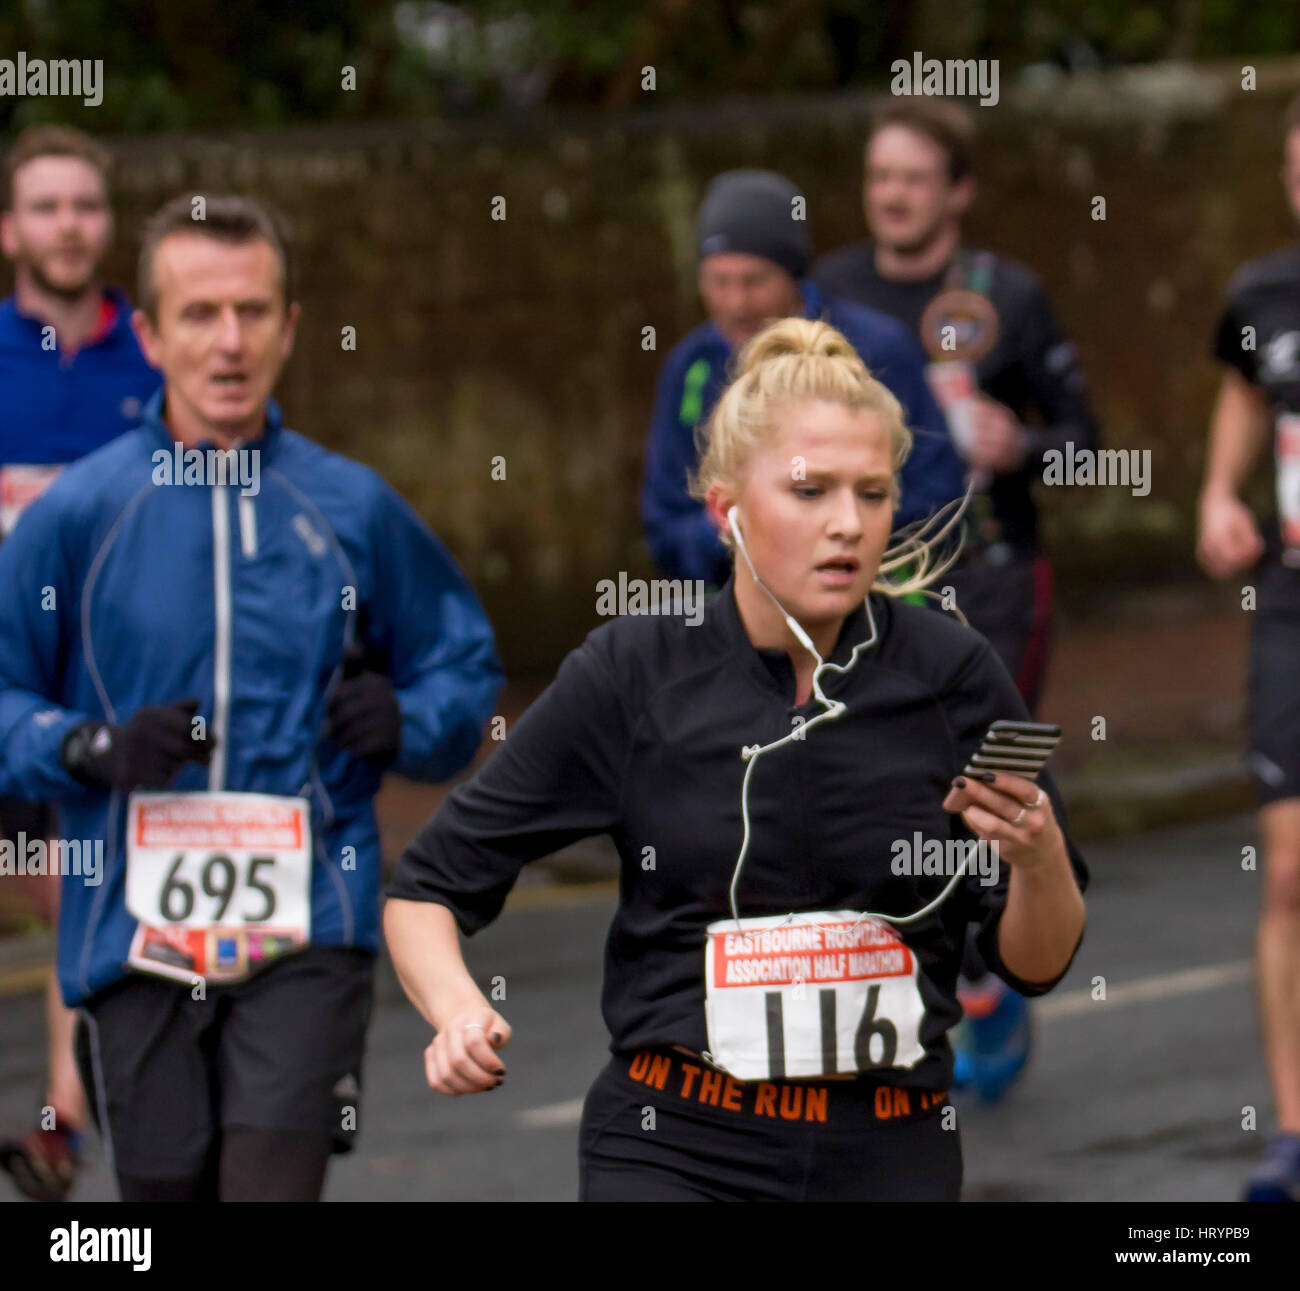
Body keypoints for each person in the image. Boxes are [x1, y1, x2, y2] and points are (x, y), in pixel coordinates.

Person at [386, 317, 1087, 1202]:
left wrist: (1040, 857)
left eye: (872, 494)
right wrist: (457, 1010)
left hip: (887, 1148)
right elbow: (427, 887)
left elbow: (1037, 960)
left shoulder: (951, 674)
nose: (847, 524)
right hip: (675, 1144)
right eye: (810, 490)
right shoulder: (635, 671)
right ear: (726, 511)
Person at [0, 194, 502, 1202]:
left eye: (252, 311)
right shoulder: (79, 513)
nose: (228, 342)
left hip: (307, 912)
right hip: (130, 924)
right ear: (146, 333)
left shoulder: (350, 505)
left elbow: (465, 672)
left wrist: (409, 718)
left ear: (290, 327)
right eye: (198, 314)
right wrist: (88, 746)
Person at [812, 100, 1101, 1100]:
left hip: (990, 579)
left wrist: (1017, 445)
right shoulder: (829, 294)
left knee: (976, 770)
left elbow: (1086, 442)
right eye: (877, 176)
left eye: (913, 177)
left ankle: (993, 960)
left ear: (957, 191)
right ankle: (923, 973)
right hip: (865, 583)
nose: (891, 194)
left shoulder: (1007, 296)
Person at [0, 125, 160, 1203]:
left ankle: (63, 1117)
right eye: (46, 206)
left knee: (82, 886)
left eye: (86, 206)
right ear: (12, 228)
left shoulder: (151, 351)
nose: (68, 224)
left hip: (99, 676)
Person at [641, 168, 967, 590]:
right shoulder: (690, 368)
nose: (735, 301)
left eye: (754, 281)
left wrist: (826, 524)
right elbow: (665, 525)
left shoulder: (877, 349)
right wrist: (724, 530)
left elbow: (938, 493)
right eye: (718, 281)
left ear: (795, 276)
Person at [1198, 90, 1300, 1204]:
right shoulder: (1262, 294)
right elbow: (1240, 385)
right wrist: (1217, 492)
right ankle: (1292, 1129)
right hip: (1289, 603)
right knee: (1286, 868)